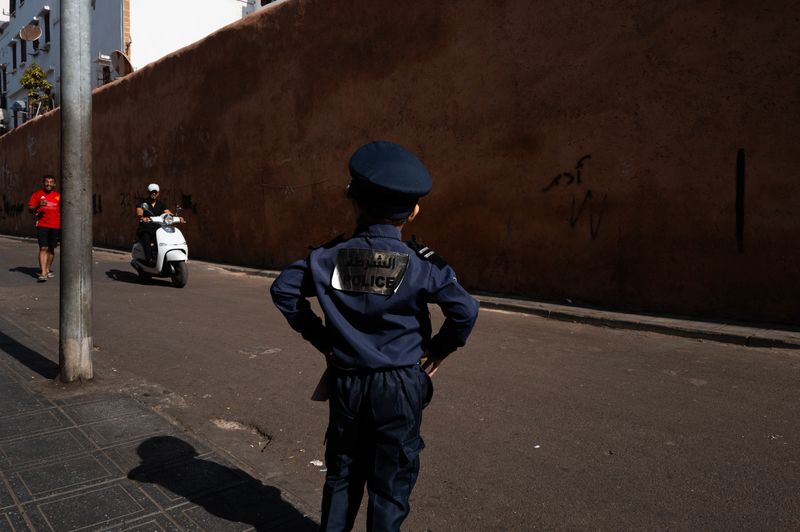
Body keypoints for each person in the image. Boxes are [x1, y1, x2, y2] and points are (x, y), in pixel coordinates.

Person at [271, 140, 479, 531]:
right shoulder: (421, 263)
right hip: (401, 384)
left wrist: (324, 340)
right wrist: (438, 350)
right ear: (414, 211)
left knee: (343, 475)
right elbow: (465, 310)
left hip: (347, 380)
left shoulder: (330, 257)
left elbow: (283, 289)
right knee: (391, 482)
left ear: (355, 203)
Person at [27, 174, 61, 282]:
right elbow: (30, 209)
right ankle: (43, 272)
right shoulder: (37, 195)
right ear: (43, 183)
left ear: (54, 184)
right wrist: (39, 205)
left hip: (55, 226)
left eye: (51, 182)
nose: (49, 184)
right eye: (47, 182)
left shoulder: (58, 196)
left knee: (51, 249)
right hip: (42, 225)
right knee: (43, 248)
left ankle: (47, 269)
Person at [135, 183, 173, 266]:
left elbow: (168, 213)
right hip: (146, 227)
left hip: (158, 228)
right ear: (148, 192)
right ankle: (149, 259)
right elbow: (139, 212)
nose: (154, 194)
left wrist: (176, 218)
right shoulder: (143, 203)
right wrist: (143, 218)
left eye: (156, 192)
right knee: (146, 237)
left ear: (158, 193)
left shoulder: (161, 204)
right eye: (152, 192)